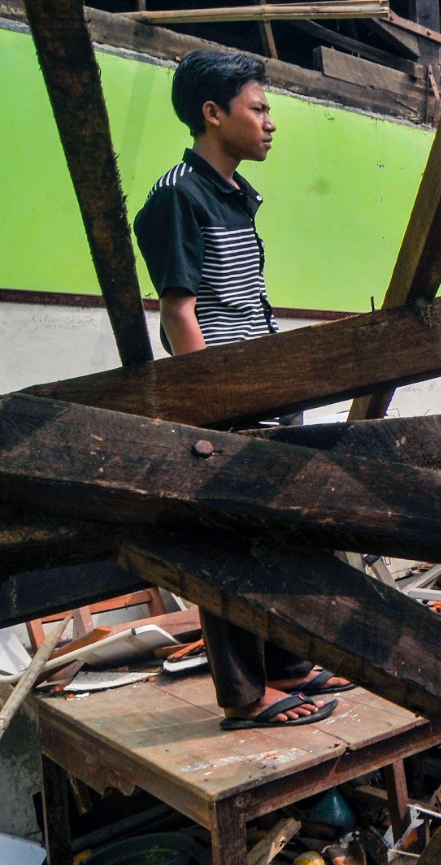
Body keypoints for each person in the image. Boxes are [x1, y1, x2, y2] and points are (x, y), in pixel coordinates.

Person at [133, 49, 350, 729]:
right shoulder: (178, 195)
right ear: (213, 113)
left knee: (278, 529)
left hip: (265, 389)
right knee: (226, 541)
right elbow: (178, 312)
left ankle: (283, 663)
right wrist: (215, 407)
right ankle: (245, 697)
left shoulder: (233, 194)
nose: (270, 122)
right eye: (258, 109)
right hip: (226, 399)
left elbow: (245, 299)